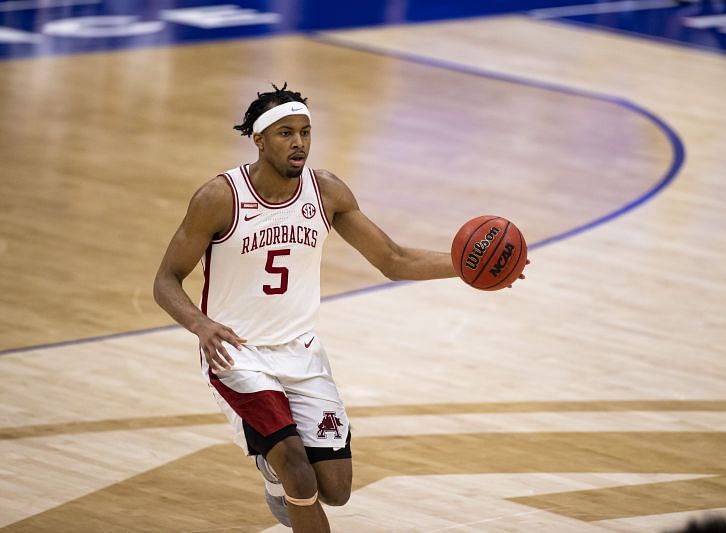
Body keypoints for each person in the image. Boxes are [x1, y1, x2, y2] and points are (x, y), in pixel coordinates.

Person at [153, 83, 527, 533]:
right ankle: (283, 471)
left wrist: (467, 269)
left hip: (302, 351)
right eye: (286, 133)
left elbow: (394, 259)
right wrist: (200, 324)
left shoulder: (325, 191)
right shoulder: (219, 197)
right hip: (237, 354)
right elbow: (165, 280)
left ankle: (274, 477)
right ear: (259, 139)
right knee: (296, 465)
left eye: (306, 132)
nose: (299, 143)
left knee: (335, 488)